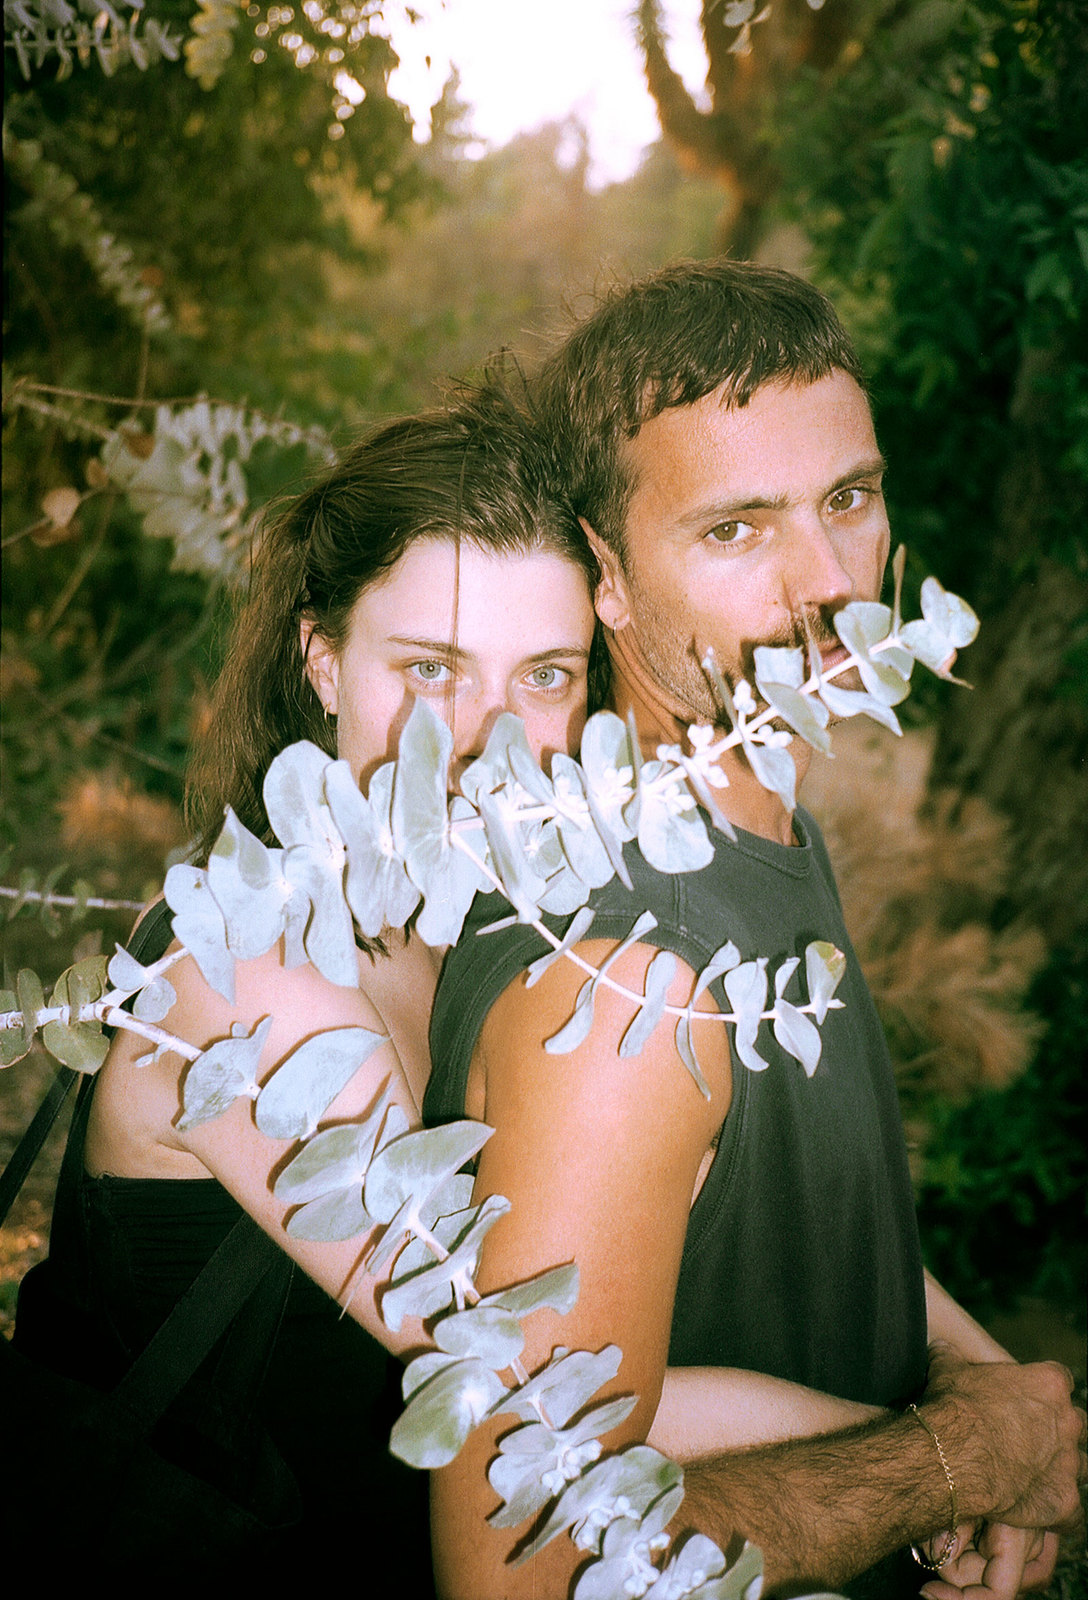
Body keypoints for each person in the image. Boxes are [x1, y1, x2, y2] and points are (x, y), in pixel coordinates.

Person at [424, 262, 1086, 1599]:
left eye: (850, 498)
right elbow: (521, 1566)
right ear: (601, 576)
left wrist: (976, 1383)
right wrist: (955, 1463)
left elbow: (814, 1216)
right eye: (737, 530)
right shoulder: (618, 982)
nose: (834, 583)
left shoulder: (756, 815)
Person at [10, 395, 600, 1581]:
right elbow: (507, 1370)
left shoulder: (480, 931)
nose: (488, 744)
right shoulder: (253, 971)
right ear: (322, 659)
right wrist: (920, 1444)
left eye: (544, 675)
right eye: (431, 669)